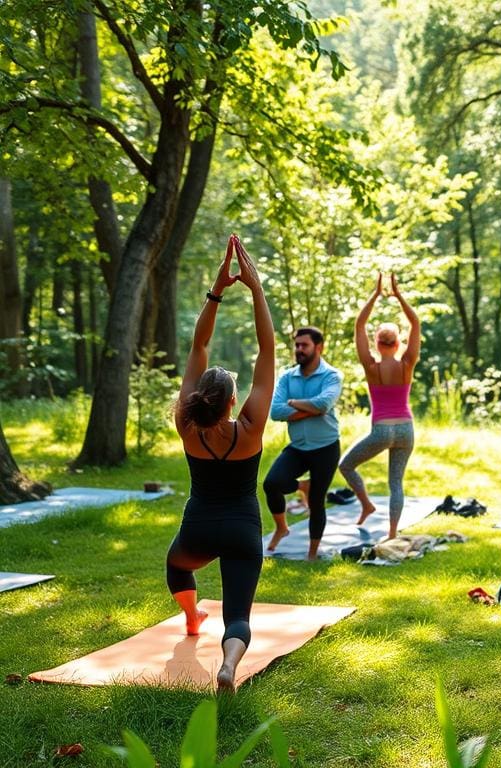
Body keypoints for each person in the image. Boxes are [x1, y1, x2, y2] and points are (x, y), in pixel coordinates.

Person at [167, 234, 275, 693]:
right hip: (243, 529)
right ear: (234, 400)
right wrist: (256, 291)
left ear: (198, 399)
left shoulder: (187, 426)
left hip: (199, 528)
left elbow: (199, 347)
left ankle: (192, 618)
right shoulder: (248, 427)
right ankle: (228, 665)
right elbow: (266, 352)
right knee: (238, 614)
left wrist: (216, 291)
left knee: (177, 565)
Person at [339, 273, 421, 540]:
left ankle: (366, 504)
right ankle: (393, 532)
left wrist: (375, 294)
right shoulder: (407, 364)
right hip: (406, 430)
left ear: (377, 343)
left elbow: (359, 325)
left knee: (346, 466)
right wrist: (398, 296)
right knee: (395, 483)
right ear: (398, 343)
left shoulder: (371, 367)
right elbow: (415, 323)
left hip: (382, 430)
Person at [263, 324, 344, 561]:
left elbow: (323, 404)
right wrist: (310, 407)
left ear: (318, 347)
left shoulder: (331, 375)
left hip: (326, 447)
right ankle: (282, 526)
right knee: (272, 484)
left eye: (304, 345)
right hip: (298, 447)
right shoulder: (288, 376)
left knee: (317, 501)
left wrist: (294, 403)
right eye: (296, 345)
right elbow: (275, 412)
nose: (299, 349)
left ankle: (312, 553)